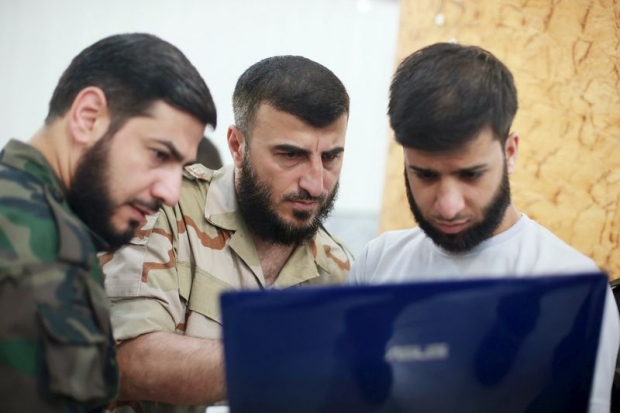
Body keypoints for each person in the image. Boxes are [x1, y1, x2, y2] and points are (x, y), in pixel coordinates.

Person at [346, 42, 620, 413]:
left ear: (510, 153)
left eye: (471, 174)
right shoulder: (376, 263)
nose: (447, 205)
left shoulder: (575, 290)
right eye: (424, 174)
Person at [101, 55, 353, 412]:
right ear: (237, 146)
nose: (315, 184)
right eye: (290, 155)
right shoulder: (164, 211)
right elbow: (125, 359)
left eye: (330, 158)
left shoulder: (338, 267)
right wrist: (286, 363)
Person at [0, 33, 216, 412]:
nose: (170, 192)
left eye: (181, 168)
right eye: (159, 154)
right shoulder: (45, 248)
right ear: (88, 117)